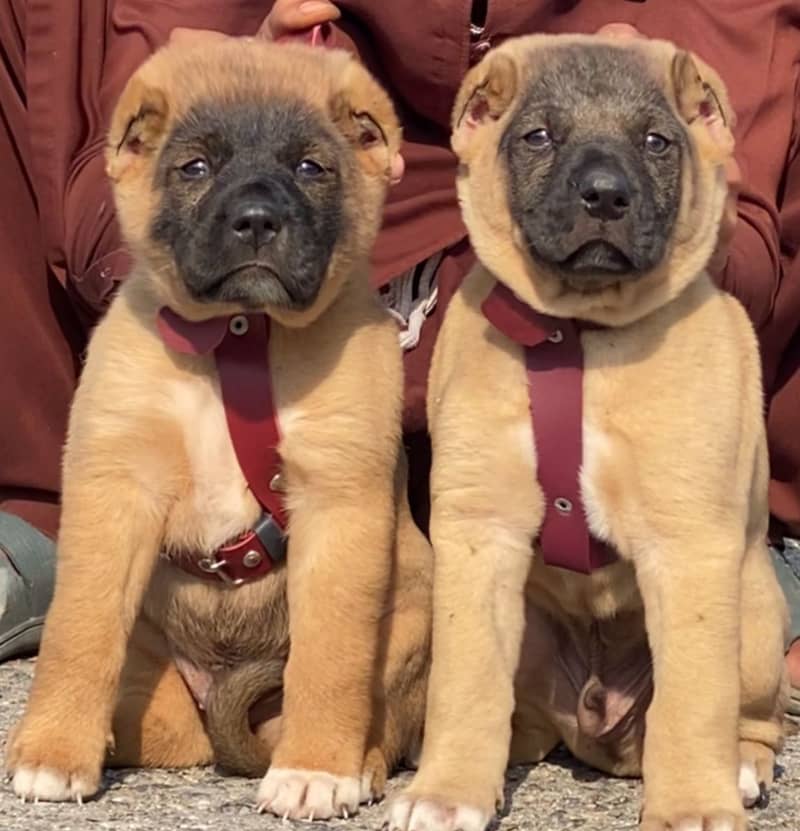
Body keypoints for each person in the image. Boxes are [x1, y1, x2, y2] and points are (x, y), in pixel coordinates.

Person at [1, 0, 798, 712]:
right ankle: (35, 507)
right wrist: (236, 91)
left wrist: (671, 155)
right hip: (354, 160)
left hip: (567, 166)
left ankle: (772, 539)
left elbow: (730, 116)